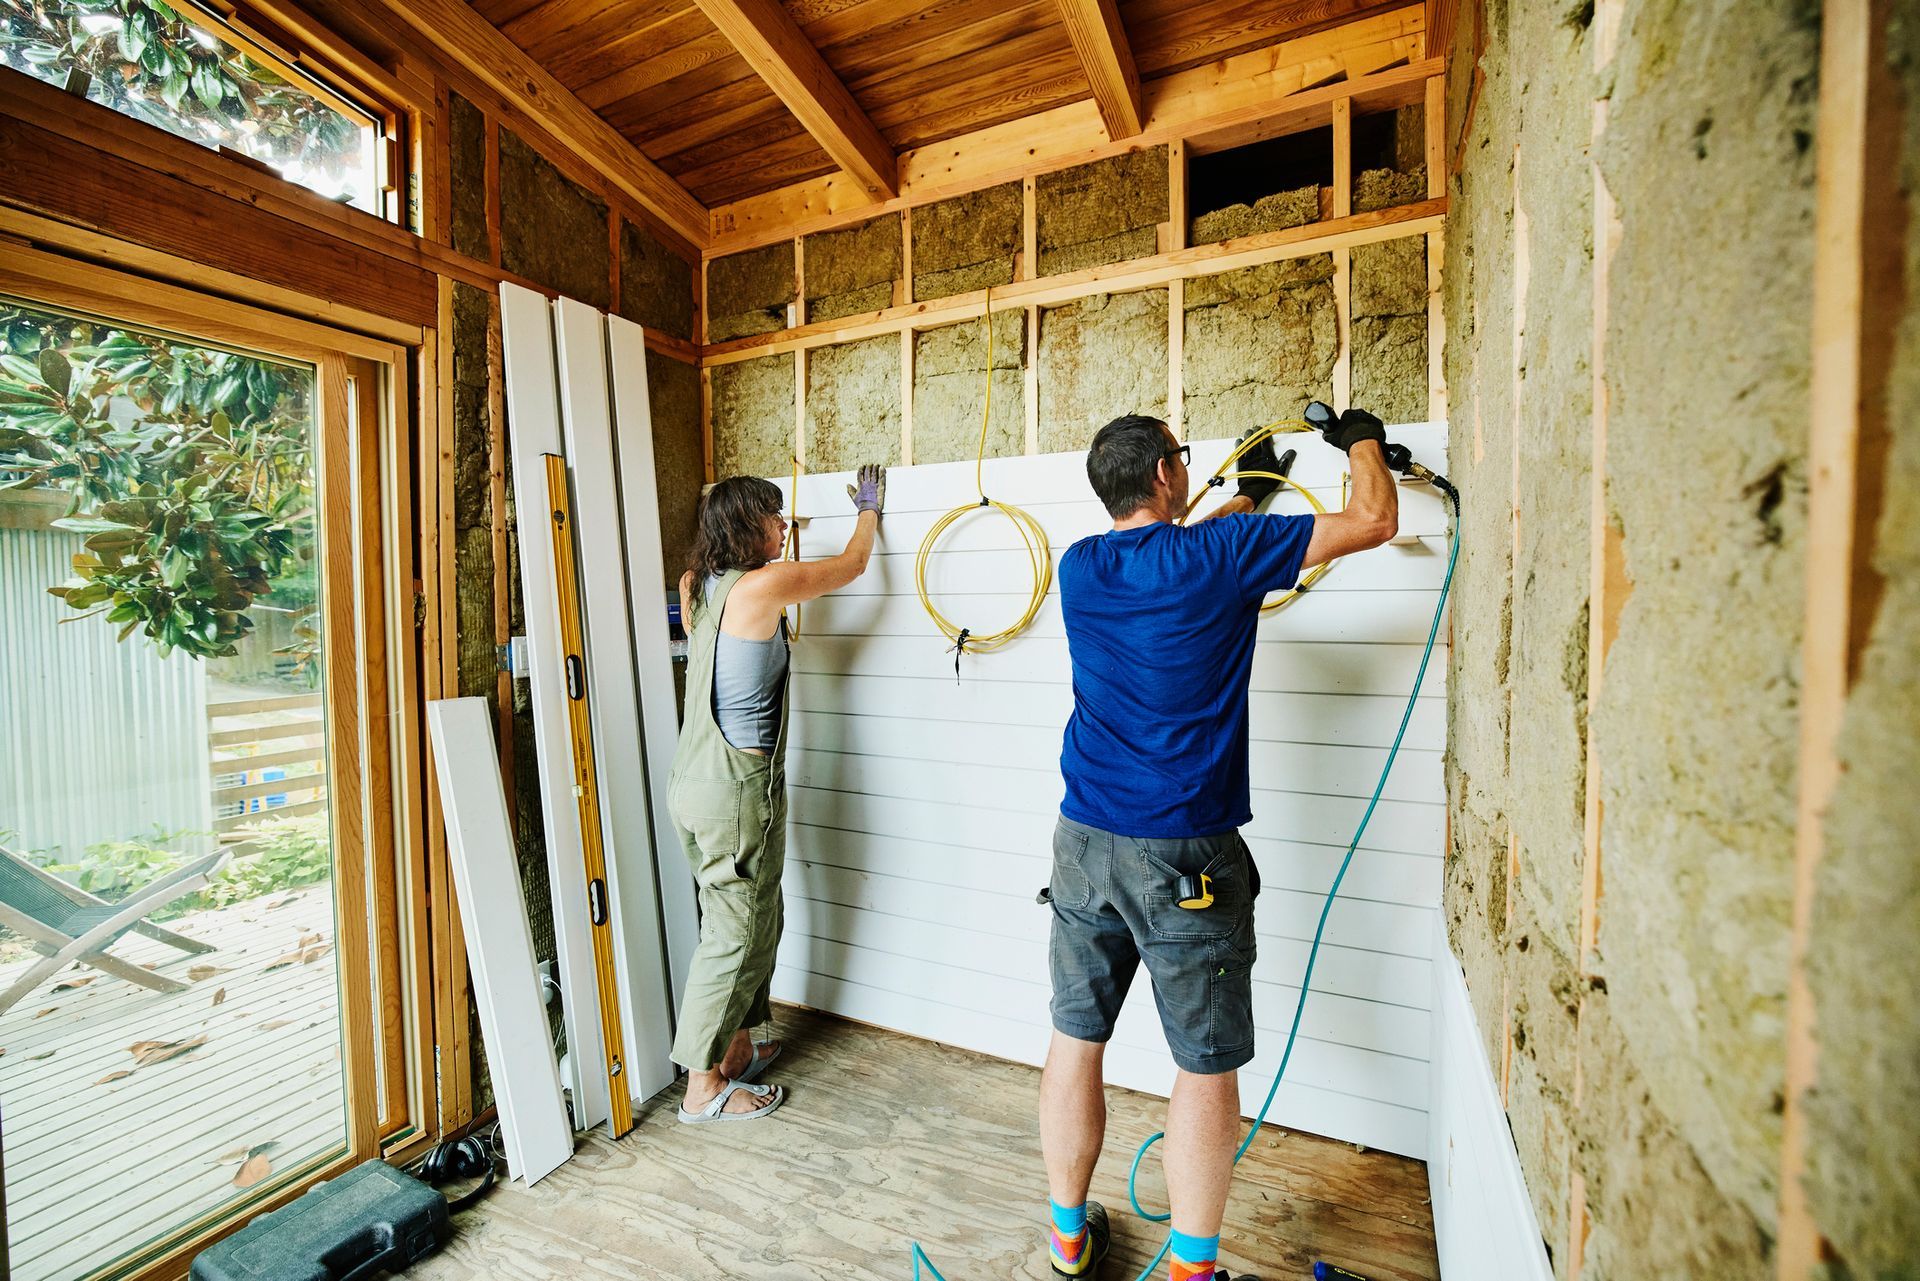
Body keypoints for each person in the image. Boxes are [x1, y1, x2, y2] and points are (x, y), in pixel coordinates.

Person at [1038, 407, 1401, 1279]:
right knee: (1204, 1066)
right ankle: (1192, 1273)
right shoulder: (1216, 558)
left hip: (1083, 839)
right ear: (1166, 474)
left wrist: (1248, 496)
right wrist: (1361, 440)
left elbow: (1178, 551)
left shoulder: (1082, 565)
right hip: (1184, 859)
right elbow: (1374, 520)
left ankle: (1067, 1243)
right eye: (1179, 460)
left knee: (1075, 1036)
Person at [669, 463, 886, 1123]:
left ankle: (734, 1051)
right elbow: (852, 566)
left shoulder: (696, 586)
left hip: (698, 781)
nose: (783, 526)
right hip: (736, 793)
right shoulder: (768, 584)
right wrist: (870, 507)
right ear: (749, 527)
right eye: (774, 516)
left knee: (757, 918)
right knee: (733, 936)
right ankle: (702, 1089)